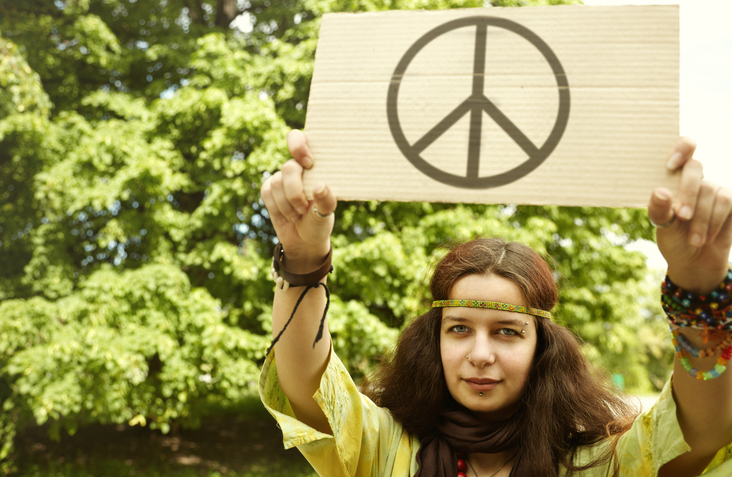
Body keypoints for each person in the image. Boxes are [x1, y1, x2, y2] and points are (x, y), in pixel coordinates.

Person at [259, 130, 732, 477]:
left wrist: (698, 293)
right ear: (434, 341)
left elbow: (700, 434)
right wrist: (302, 261)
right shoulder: (387, 450)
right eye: (459, 328)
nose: (480, 354)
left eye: (507, 331)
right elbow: (308, 385)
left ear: (542, 346)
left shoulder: (600, 464)